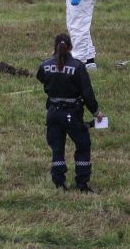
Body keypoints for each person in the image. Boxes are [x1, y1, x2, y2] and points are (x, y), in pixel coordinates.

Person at [37, 33, 104, 192]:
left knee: (57, 148)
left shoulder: (45, 65)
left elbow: (41, 78)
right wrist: (96, 113)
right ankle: (82, 183)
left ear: (54, 47)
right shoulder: (78, 67)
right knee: (83, 145)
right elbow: (87, 93)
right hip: (72, 114)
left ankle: (59, 183)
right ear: (71, 47)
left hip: (53, 113)